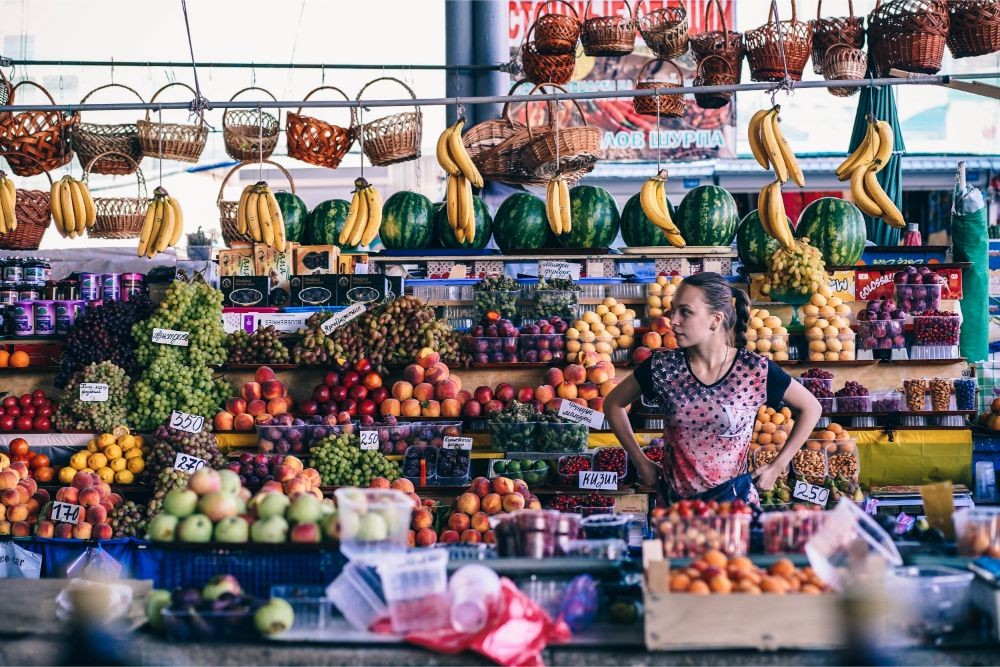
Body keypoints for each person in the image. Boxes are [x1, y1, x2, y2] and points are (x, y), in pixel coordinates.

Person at [605, 272, 822, 504]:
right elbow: (612, 404)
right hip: (677, 509)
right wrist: (640, 461)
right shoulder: (662, 367)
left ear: (716, 320)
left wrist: (777, 466)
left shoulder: (754, 370)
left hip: (734, 507)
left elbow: (812, 408)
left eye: (685, 312)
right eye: (673, 310)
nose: (673, 320)